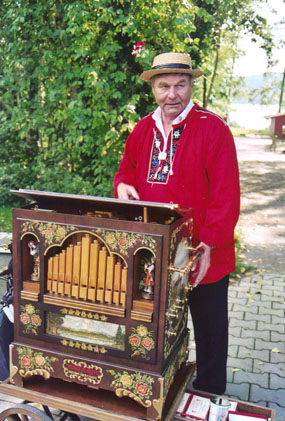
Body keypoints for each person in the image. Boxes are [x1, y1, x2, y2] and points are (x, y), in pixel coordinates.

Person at [114, 52, 240, 395]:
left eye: (180, 85)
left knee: (209, 326)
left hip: (201, 250)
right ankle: (158, 385)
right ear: (153, 89)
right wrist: (123, 184)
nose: (173, 94)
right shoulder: (143, 129)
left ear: (191, 86)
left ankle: (209, 393)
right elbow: (127, 169)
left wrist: (210, 246)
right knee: (154, 322)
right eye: (164, 85)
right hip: (155, 249)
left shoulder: (213, 128)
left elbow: (226, 194)